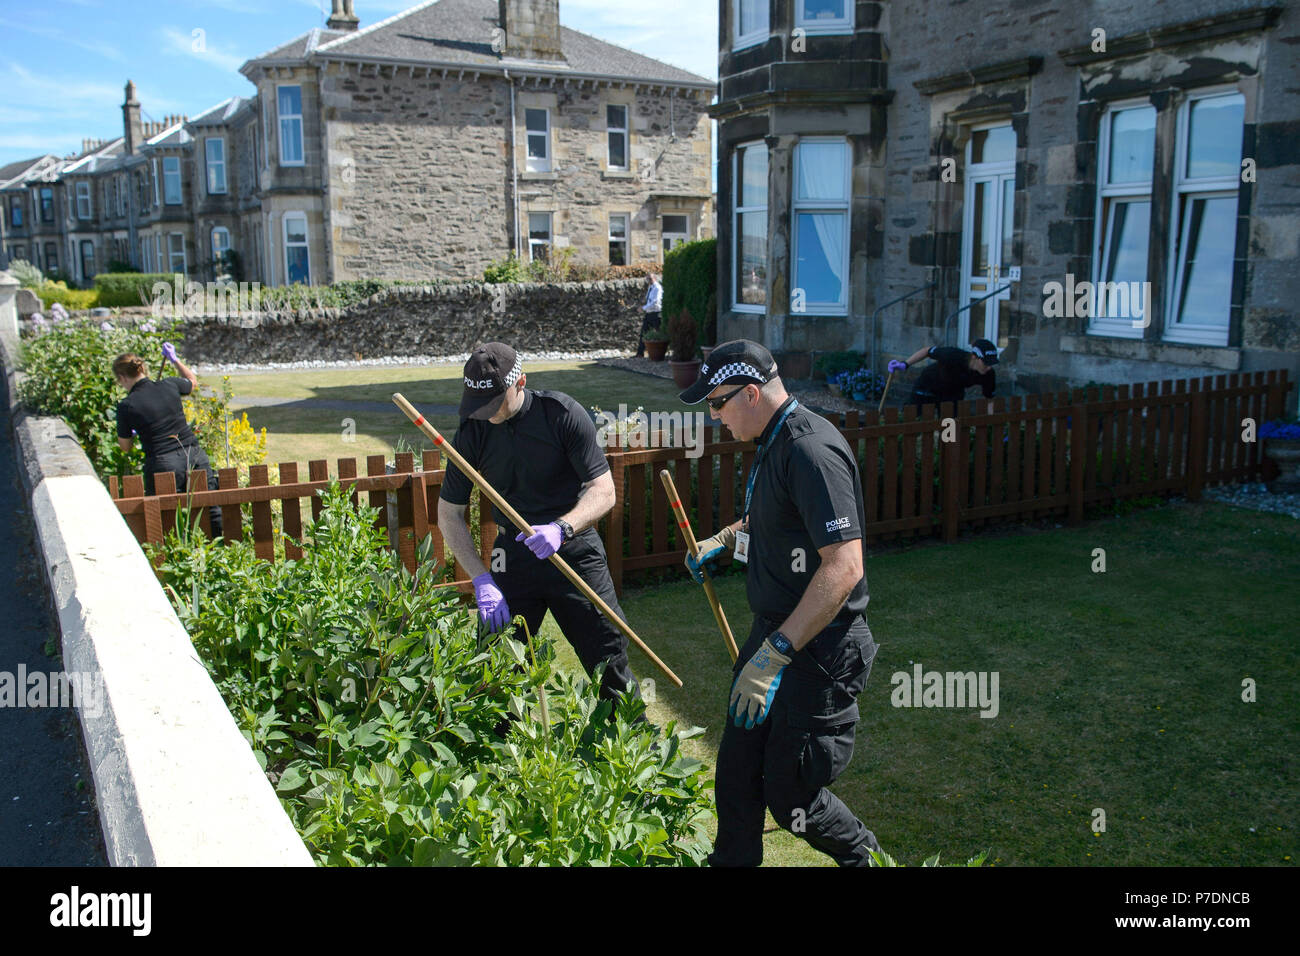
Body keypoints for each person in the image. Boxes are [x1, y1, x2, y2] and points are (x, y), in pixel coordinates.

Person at [679, 339, 882, 867]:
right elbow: (775, 519)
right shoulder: (774, 440)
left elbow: (844, 565)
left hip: (819, 649)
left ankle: (868, 860)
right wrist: (723, 540)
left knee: (792, 794)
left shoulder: (811, 450)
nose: (713, 415)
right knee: (737, 775)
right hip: (776, 630)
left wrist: (774, 655)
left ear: (750, 393)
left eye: (715, 402)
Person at [436, 343, 639, 704]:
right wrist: (481, 579)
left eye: (494, 402)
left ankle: (633, 751)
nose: (485, 413)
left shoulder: (561, 414)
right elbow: (449, 513)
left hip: (573, 550)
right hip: (511, 558)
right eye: (478, 405)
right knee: (495, 663)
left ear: (521, 382)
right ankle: (501, 754)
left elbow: (603, 490)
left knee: (608, 654)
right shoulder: (473, 430)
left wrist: (562, 528)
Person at [114, 344, 222, 537]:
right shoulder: (169, 384)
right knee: (210, 510)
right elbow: (192, 382)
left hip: (163, 463)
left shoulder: (127, 406)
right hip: (193, 454)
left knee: (165, 521)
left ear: (122, 378)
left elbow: (125, 447)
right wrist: (175, 360)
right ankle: (222, 550)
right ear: (142, 369)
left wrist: (133, 431)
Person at [891, 338, 999, 410]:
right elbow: (926, 351)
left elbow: (989, 399)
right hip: (927, 387)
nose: (989, 367)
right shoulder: (952, 355)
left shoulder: (988, 374)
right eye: (986, 363)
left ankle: (948, 444)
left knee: (950, 429)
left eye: (992, 364)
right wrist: (905, 364)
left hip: (951, 394)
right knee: (915, 420)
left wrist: (990, 422)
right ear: (974, 357)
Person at [635, 273, 663, 358]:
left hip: (656, 313)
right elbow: (649, 300)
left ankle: (659, 354)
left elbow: (655, 302)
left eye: (650, 279)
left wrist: (643, 308)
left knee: (659, 333)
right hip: (649, 313)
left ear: (655, 278)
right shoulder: (650, 288)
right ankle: (640, 353)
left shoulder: (657, 288)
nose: (649, 281)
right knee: (644, 332)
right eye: (648, 279)